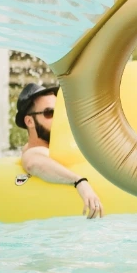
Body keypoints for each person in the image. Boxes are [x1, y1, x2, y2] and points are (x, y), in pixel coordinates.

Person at [17, 83, 104, 219]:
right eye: (49, 113)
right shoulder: (34, 152)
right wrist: (79, 182)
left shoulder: (64, 144)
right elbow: (34, 163)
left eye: (58, 112)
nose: (57, 118)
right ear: (29, 121)